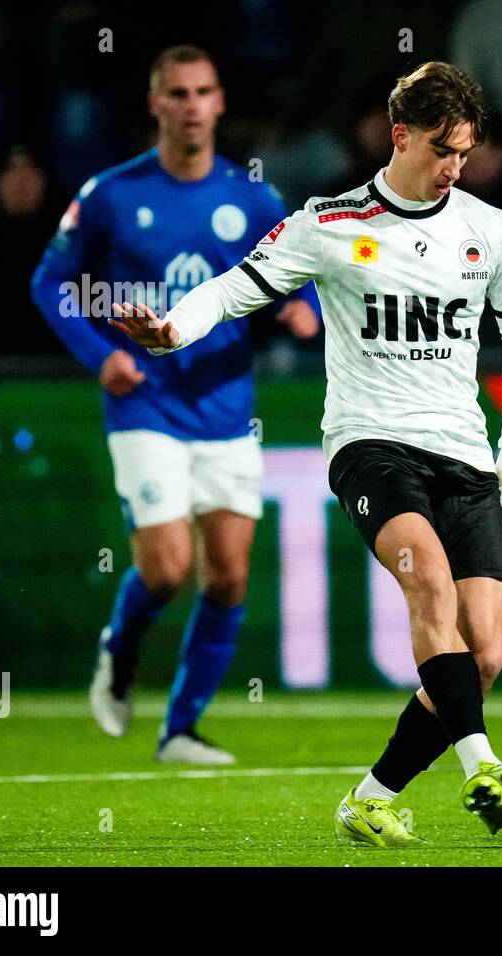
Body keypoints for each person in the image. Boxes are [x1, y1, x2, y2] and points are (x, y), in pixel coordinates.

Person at [108, 61, 502, 844]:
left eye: (466, 153)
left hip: (466, 455)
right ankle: (481, 759)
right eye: (442, 149)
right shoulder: (330, 223)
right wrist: (173, 329)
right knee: (431, 591)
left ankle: (370, 797)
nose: (454, 167)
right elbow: (236, 286)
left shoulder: (490, 230)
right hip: (371, 446)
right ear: (399, 134)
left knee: (482, 654)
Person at [30, 45, 320, 765]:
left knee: (227, 574)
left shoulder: (253, 197)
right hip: (146, 404)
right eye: (177, 93)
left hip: (225, 405)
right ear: (156, 104)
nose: (192, 105)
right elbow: (51, 283)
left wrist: (301, 309)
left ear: (221, 103)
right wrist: (104, 357)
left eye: (203, 92)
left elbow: (299, 271)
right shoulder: (109, 194)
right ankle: (119, 651)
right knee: (165, 569)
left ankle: (179, 731)